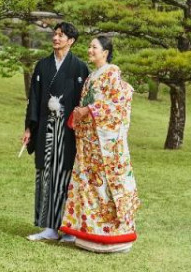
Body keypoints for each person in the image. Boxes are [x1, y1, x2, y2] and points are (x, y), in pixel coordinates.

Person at [60, 35, 140, 253]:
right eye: (89, 47)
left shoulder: (112, 73)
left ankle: (114, 237)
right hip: (89, 142)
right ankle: (88, 234)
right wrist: (79, 112)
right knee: (89, 184)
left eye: (94, 47)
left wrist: (90, 110)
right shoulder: (91, 76)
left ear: (105, 52)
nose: (89, 50)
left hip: (106, 144)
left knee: (106, 184)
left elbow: (118, 101)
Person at [22, 22, 89, 242]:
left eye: (61, 35)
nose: (56, 38)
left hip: (68, 130)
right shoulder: (42, 66)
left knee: (66, 176)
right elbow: (34, 98)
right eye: (55, 34)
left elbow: (85, 101)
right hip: (46, 128)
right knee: (46, 175)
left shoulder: (80, 68)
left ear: (71, 41)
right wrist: (29, 128)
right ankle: (49, 227)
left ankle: (68, 228)